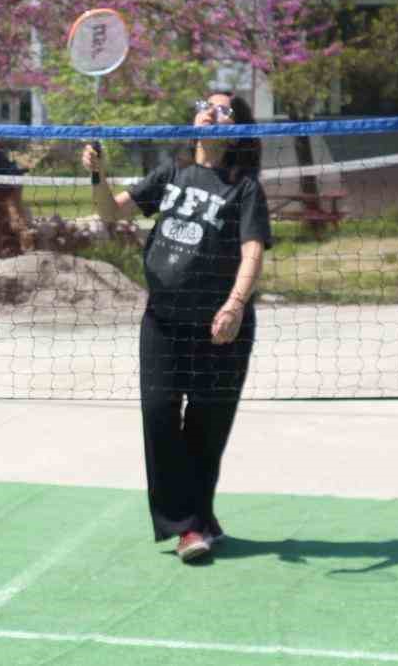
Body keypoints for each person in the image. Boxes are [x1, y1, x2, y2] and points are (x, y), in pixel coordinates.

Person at [82, 91, 270, 563]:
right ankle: (187, 522)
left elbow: (252, 251)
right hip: (163, 320)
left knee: (206, 428)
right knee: (159, 414)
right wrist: (97, 175)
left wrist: (235, 305)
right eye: (205, 104)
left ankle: (194, 523)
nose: (211, 111)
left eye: (224, 109)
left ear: (238, 129)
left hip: (219, 327)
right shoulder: (172, 172)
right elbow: (111, 211)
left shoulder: (244, 187)